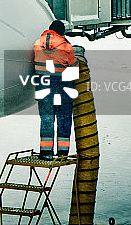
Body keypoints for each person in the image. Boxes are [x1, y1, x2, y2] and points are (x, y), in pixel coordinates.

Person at [33, 20, 78, 160]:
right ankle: (62, 153)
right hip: (61, 85)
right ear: (62, 32)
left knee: (46, 118)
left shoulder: (37, 43)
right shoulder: (65, 46)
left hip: (43, 85)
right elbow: (74, 68)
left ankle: (46, 152)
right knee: (63, 118)